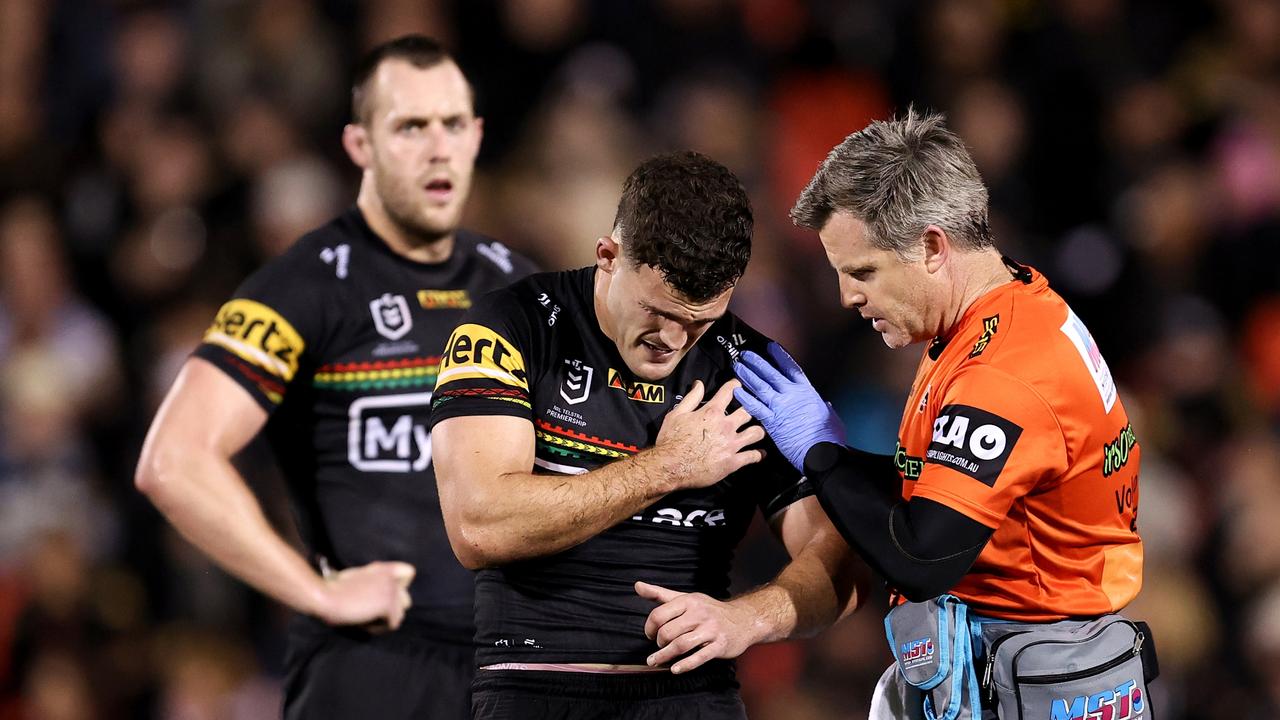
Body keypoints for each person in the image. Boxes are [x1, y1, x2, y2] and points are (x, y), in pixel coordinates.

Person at [134, 35, 538, 719]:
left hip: (513, 667)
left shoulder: (522, 285)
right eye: (410, 126)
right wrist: (316, 593)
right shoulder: (304, 287)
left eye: (451, 125)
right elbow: (173, 459)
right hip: (373, 668)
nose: (438, 148)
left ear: (476, 138)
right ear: (360, 146)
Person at [732, 110, 1151, 718]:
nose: (847, 296)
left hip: (1033, 684)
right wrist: (832, 456)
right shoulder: (1005, 312)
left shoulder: (1003, 371)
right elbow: (936, 496)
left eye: (862, 271)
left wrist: (821, 454)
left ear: (931, 246)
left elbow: (922, 554)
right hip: (1021, 665)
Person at [430, 151, 862, 719]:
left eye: (700, 320)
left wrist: (745, 619)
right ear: (608, 256)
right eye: (656, 311)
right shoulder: (509, 328)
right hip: (536, 687)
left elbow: (837, 566)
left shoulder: (752, 369)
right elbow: (478, 526)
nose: (674, 340)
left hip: (693, 696)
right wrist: (667, 468)